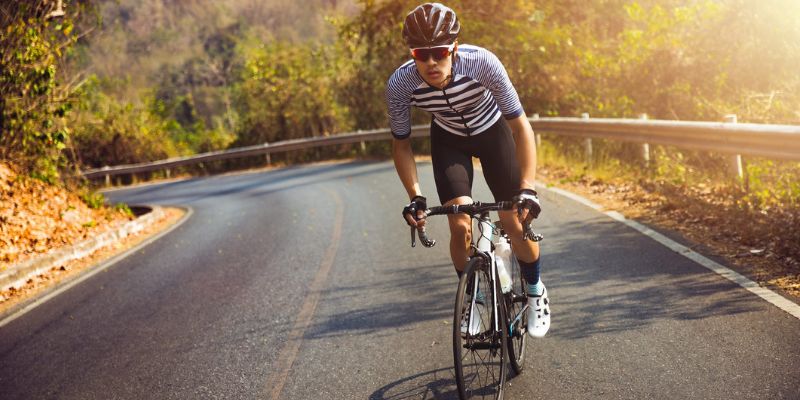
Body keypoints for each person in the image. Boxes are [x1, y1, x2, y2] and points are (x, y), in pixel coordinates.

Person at [386, 2, 550, 338]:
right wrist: (416, 196)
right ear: (412, 53)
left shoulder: (482, 63)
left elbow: (520, 126)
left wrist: (527, 187)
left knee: (512, 221)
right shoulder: (400, 84)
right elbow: (401, 144)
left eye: (440, 52)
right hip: (449, 140)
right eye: (421, 54)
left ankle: (535, 291)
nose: (431, 62)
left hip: (493, 133)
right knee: (459, 223)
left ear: (454, 49)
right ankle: (473, 299)